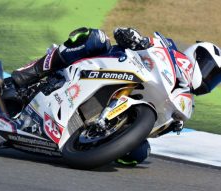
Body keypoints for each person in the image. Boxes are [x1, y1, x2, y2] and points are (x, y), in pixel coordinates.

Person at [11, 27, 221, 166]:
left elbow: (155, 129)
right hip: (113, 63)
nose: (209, 79)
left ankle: (90, 140)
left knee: (140, 154)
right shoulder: (170, 50)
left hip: (128, 107)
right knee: (95, 38)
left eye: (215, 78)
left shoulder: (186, 105)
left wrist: (167, 127)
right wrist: (132, 37)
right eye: (210, 70)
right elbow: (144, 42)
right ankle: (35, 70)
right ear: (197, 56)